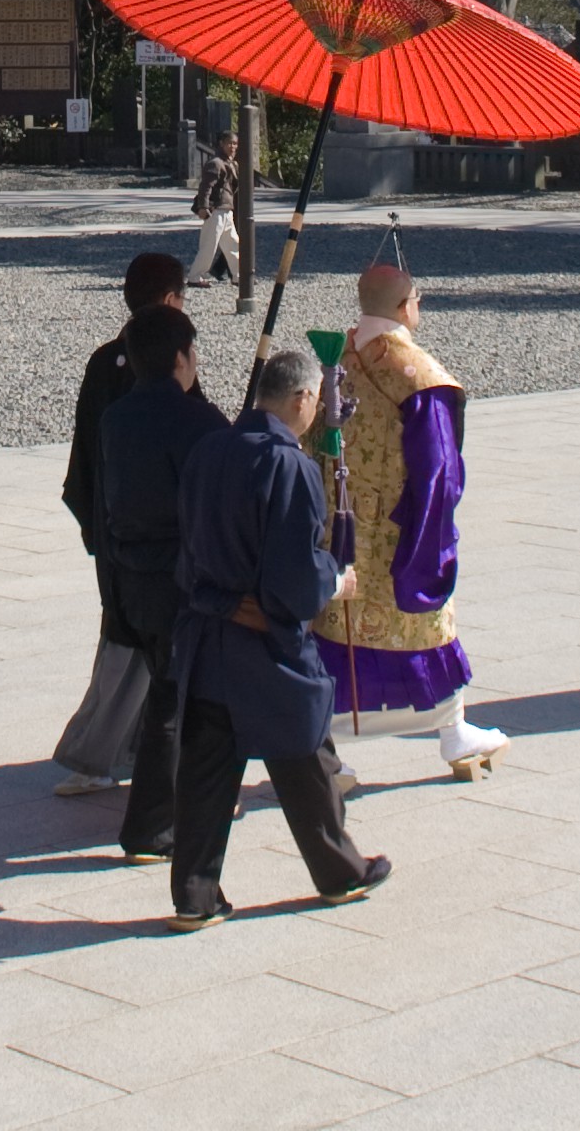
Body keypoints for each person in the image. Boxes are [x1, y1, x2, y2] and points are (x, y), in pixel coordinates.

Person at [164, 351, 386, 929]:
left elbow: (182, 548)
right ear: (302, 400)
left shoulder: (207, 449)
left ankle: (195, 895)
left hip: (208, 633)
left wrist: (216, 600)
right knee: (304, 751)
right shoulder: (290, 466)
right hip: (263, 643)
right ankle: (339, 873)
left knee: (206, 772)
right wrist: (335, 581)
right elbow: (292, 575)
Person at [311, 266, 509, 780]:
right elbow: (439, 470)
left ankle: (326, 747)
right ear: (404, 307)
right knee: (423, 628)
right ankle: (453, 733)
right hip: (402, 533)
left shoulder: (337, 360)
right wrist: (433, 540)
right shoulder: (420, 377)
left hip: (340, 529)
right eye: (417, 298)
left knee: (340, 633)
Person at [54, 253, 193, 798]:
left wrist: (94, 523)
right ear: (170, 300)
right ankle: (95, 753)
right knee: (137, 648)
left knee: (130, 641)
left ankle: (121, 750)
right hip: (156, 540)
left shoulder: (104, 361)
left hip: (115, 531)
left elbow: (83, 454)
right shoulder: (164, 369)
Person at [95, 302, 227, 862]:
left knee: (169, 693)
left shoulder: (116, 417)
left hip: (131, 573)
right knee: (175, 700)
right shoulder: (197, 420)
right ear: (180, 358)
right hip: (182, 577)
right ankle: (151, 826)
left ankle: (164, 816)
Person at [185, 143, 243, 287]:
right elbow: (206, 187)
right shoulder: (216, 163)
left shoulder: (229, 163)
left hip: (226, 209)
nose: (233, 147)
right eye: (230, 143)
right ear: (222, 144)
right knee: (209, 246)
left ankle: (238, 275)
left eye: (235, 143)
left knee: (233, 244)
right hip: (217, 209)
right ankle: (194, 276)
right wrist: (203, 206)